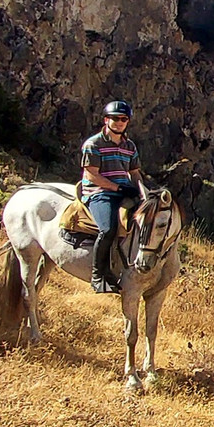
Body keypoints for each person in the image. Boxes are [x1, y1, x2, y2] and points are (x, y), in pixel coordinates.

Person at [81, 100, 144, 294]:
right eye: (114, 118)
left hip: (122, 190)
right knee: (108, 229)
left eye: (123, 119)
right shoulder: (93, 144)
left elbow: (135, 173)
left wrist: (143, 193)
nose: (119, 122)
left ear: (127, 122)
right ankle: (98, 275)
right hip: (99, 193)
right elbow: (92, 175)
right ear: (106, 119)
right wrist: (118, 188)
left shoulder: (130, 146)